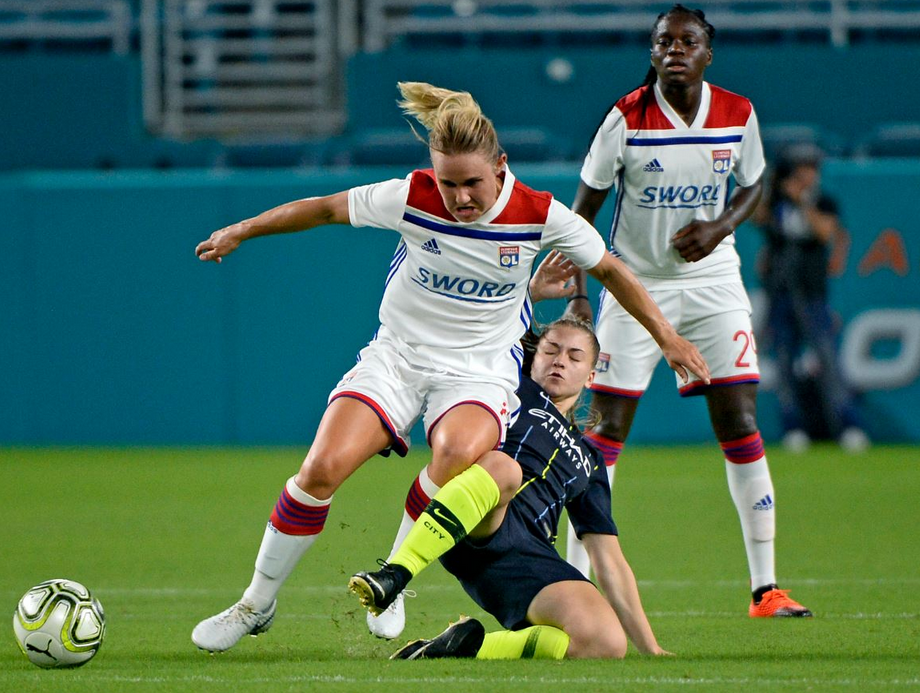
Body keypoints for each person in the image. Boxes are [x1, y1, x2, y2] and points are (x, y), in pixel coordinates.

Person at [190, 81, 709, 653]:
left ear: (501, 167)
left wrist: (669, 338)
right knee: (320, 468)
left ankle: (393, 578)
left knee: (458, 453)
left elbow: (611, 270)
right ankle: (256, 603)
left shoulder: (539, 214)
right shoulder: (411, 196)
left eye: (472, 183)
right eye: (449, 183)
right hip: (398, 355)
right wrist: (242, 229)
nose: (460, 197)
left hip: (477, 369)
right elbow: (324, 208)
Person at [561, 4, 812, 618]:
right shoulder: (623, 119)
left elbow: (754, 184)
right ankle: (572, 586)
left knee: (740, 420)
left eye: (688, 40)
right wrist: (577, 290)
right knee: (604, 431)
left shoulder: (737, 113)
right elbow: (582, 208)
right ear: (651, 53)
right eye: (664, 41)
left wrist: (721, 224)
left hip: (714, 281)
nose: (675, 49)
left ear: (708, 52)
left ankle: (765, 588)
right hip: (634, 282)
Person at [355, 308, 670, 660]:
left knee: (605, 643)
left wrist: (651, 648)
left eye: (574, 356)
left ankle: (463, 648)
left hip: (528, 556)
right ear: (533, 356)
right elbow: (487, 317)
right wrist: (535, 286)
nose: (559, 361)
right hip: (476, 515)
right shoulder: (510, 386)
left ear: (592, 376)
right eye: (551, 350)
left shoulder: (590, 459)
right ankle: (395, 576)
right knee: (506, 468)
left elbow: (608, 558)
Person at [755, 144, 869, 453]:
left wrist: (803, 200)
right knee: (784, 362)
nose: (809, 174)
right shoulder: (778, 205)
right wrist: (770, 187)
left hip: (812, 294)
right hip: (780, 294)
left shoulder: (824, 202)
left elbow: (823, 233)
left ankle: (848, 425)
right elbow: (757, 217)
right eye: (803, 169)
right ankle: (793, 427)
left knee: (828, 360)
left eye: (813, 169)